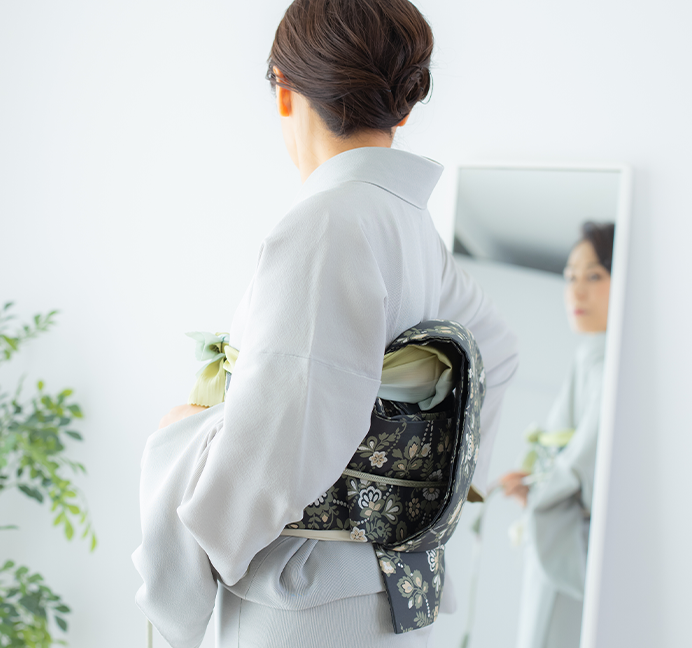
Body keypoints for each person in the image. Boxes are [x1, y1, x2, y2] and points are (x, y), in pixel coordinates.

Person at [134, 1, 519, 646]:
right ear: (401, 107)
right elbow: (496, 352)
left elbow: (284, 438)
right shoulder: (408, 224)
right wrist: (424, 486)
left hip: (305, 602)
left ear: (285, 87)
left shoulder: (327, 222)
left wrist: (191, 436)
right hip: (385, 589)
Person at [498, 222, 615, 648]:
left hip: (573, 544)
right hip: (563, 534)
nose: (576, 291)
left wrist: (543, 492)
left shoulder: (607, 364)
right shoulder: (591, 357)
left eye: (594, 276)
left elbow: (586, 464)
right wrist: (537, 488)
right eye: (570, 277)